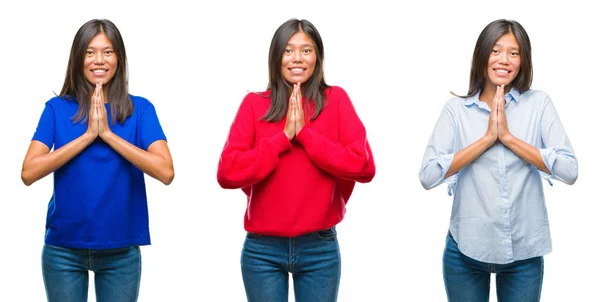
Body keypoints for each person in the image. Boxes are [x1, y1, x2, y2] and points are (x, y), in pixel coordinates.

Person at [217, 18, 375, 302]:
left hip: (320, 249)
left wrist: (304, 135)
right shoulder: (254, 104)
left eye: (306, 50)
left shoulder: (335, 100)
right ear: (276, 57)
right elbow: (227, 172)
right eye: (288, 50)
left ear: (318, 57)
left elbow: (363, 166)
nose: (297, 58)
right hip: (262, 250)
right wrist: (282, 138)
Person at [419, 19, 578, 302]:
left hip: (524, 253)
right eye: (496, 51)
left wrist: (508, 138)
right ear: (482, 55)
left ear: (522, 61)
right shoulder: (456, 110)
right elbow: (428, 176)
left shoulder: (538, 104)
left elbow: (570, 170)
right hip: (465, 251)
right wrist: (486, 139)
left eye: (514, 53)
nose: (504, 60)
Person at [21, 19, 174, 302]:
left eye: (108, 51)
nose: (99, 60)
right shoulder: (56, 109)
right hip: (63, 251)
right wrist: (89, 135)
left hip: (121, 251)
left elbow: (165, 171)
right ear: (78, 59)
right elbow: (29, 172)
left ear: (119, 58)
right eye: (90, 52)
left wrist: (108, 135)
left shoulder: (139, 109)